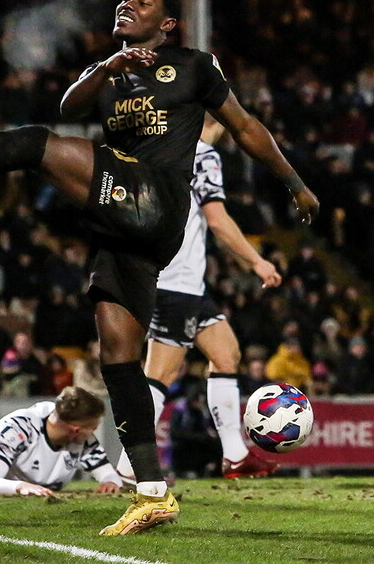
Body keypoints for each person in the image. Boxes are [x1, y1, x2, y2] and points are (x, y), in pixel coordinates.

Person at [0, 0, 318, 535]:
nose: (129, 4)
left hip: (157, 198)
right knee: (119, 360)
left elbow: (246, 128)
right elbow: (68, 103)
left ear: (168, 22)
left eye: (143, 1)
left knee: (35, 146)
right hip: (125, 225)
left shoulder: (195, 66)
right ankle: (153, 493)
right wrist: (105, 68)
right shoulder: (112, 74)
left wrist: (294, 183)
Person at [115, 116, 281, 483]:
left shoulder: (158, 151)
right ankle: (129, 468)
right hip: (176, 280)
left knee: (226, 354)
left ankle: (235, 456)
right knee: (160, 373)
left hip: (175, 278)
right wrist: (256, 261)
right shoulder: (203, 155)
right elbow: (218, 221)